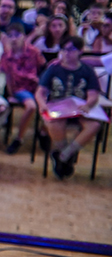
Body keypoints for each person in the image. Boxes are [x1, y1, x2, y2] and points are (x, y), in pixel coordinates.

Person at [35, 36, 102, 178]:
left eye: (71, 50)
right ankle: (65, 156)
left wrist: (88, 105)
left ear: (80, 51)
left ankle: (64, 155)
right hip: (58, 107)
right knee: (53, 123)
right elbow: (40, 92)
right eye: (64, 50)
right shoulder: (54, 69)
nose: (66, 53)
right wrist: (42, 104)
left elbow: (93, 94)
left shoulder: (87, 71)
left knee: (94, 125)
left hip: (79, 108)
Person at [0, 23, 45, 154]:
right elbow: (8, 76)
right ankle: (19, 139)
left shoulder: (34, 52)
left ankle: (43, 132)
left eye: (17, 35)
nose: (14, 39)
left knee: (52, 104)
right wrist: (10, 94)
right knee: (31, 106)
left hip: (36, 86)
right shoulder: (6, 56)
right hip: (20, 88)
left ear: (24, 36)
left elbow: (43, 68)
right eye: (10, 36)